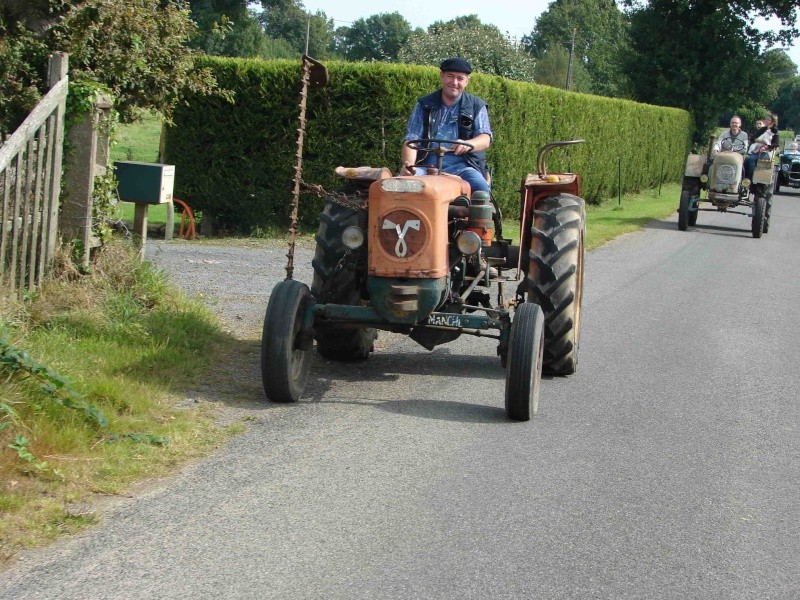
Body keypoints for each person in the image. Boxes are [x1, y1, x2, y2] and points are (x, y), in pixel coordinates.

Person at [399, 57, 493, 195]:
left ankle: (482, 215)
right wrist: (409, 166)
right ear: (442, 76)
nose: (454, 82)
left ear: (467, 81)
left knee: (481, 189)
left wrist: (468, 144)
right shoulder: (423, 105)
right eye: (450, 76)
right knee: (401, 186)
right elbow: (411, 139)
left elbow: (485, 137)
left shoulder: (476, 106)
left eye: (460, 78)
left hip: (464, 166)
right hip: (427, 165)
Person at [744, 113, 779, 180]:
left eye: (768, 119)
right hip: (757, 149)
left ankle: (749, 179)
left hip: (767, 152)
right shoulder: (763, 129)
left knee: (751, 159)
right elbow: (752, 138)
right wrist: (759, 141)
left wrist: (766, 147)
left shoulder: (775, 131)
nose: (766, 120)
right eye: (766, 119)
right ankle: (744, 177)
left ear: (773, 121)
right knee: (747, 159)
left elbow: (776, 144)